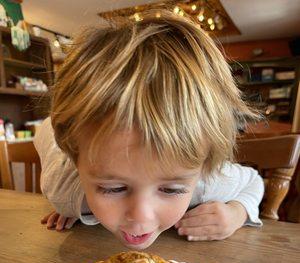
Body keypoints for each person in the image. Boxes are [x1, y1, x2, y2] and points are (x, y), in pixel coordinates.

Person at [34, 10, 264, 250]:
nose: (141, 218)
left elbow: (254, 182)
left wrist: (236, 213)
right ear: (74, 160)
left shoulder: (206, 182)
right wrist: (74, 203)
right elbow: (46, 130)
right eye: (113, 188)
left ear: (202, 168)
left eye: (171, 189)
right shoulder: (62, 189)